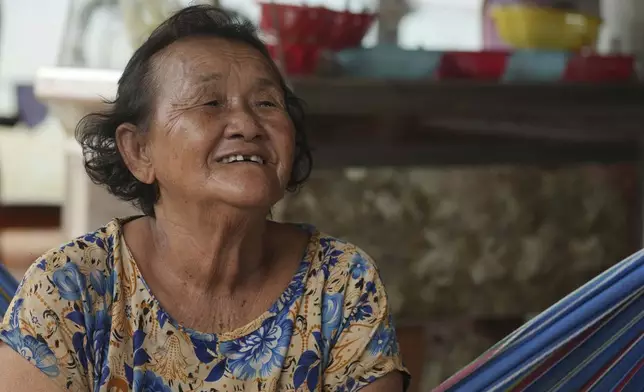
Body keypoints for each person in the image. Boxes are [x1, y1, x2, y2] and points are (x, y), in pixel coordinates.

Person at [0, 5, 409, 392]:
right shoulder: (70, 288)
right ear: (139, 151)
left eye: (267, 103)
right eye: (210, 102)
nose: (247, 124)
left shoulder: (340, 283)